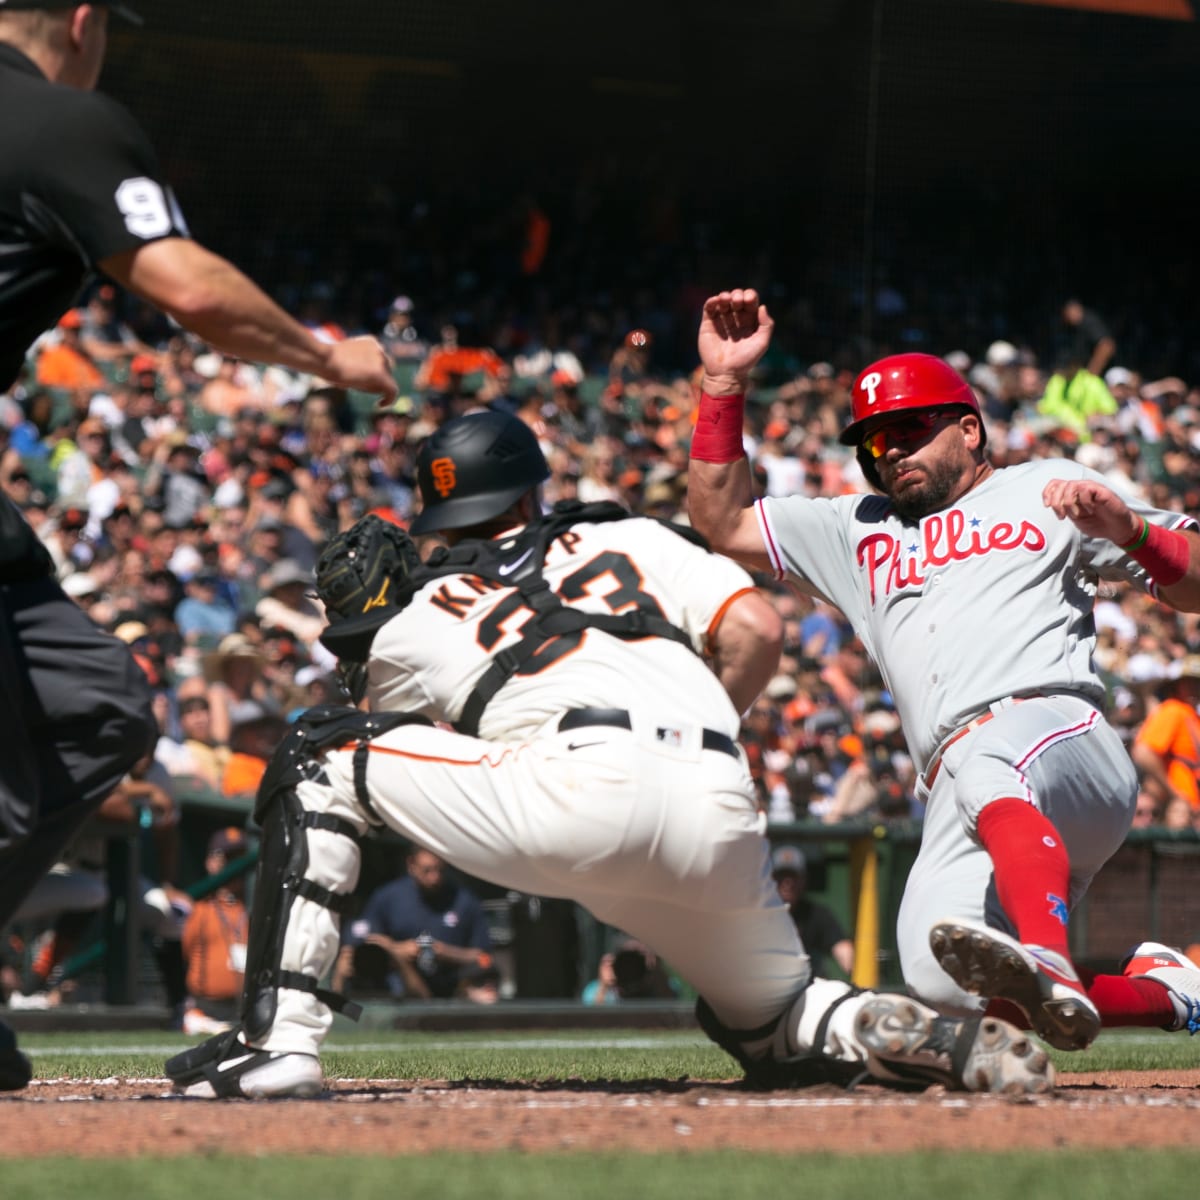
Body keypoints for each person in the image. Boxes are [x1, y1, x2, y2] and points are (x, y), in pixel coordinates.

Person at [165, 410, 1053, 1099]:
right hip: (715, 798)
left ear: (444, 519)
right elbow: (757, 626)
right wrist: (697, 734)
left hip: (563, 794)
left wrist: (363, 637)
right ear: (530, 494)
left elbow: (378, 743)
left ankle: (276, 1043)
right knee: (777, 1020)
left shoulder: (424, 607)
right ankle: (938, 1038)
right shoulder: (635, 536)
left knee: (317, 755)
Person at [0, 0, 395, 1091]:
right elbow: (187, 288)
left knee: (92, 704)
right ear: (82, 21)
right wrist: (334, 363)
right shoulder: (60, 121)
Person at [686, 288, 1200, 1054]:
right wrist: (723, 387)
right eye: (874, 439)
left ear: (968, 429)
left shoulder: (1042, 487)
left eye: (908, 430)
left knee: (989, 747)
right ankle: (1169, 994)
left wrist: (1127, 529)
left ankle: (1049, 960)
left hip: (1060, 739)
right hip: (962, 787)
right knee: (938, 976)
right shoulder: (853, 530)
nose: (889, 449)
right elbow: (721, 521)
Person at [333, 846, 494, 1002]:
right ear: (411, 865)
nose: (434, 877)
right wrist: (398, 950)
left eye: (439, 870)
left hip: (453, 986)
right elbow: (363, 944)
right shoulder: (389, 897)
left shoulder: (464, 901)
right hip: (399, 986)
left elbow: (485, 958)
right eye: (427, 870)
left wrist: (444, 952)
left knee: (485, 995)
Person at [180, 827, 251, 1036]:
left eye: (238, 858)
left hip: (244, 1009)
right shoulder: (200, 908)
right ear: (211, 862)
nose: (232, 864)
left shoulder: (251, 907)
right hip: (206, 1009)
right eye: (226, 857)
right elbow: (185, 951)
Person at [1130, 655, 1200, 817]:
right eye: (1191, 682)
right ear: (1179, 684)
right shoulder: (1173, 710)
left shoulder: (1192, 716)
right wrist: (1175, 794)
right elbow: (1143, 752)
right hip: (1178, 811)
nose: (1196, 688)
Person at [770, 846, 855, 978]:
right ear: (770, 879)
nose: (787, 882)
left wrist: (859, 973)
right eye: (781, 875)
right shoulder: (760, 914)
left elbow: (843, 949)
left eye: (793, 876)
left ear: (804, 879)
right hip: (769, 985)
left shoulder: (817, 914)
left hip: (810, 987)